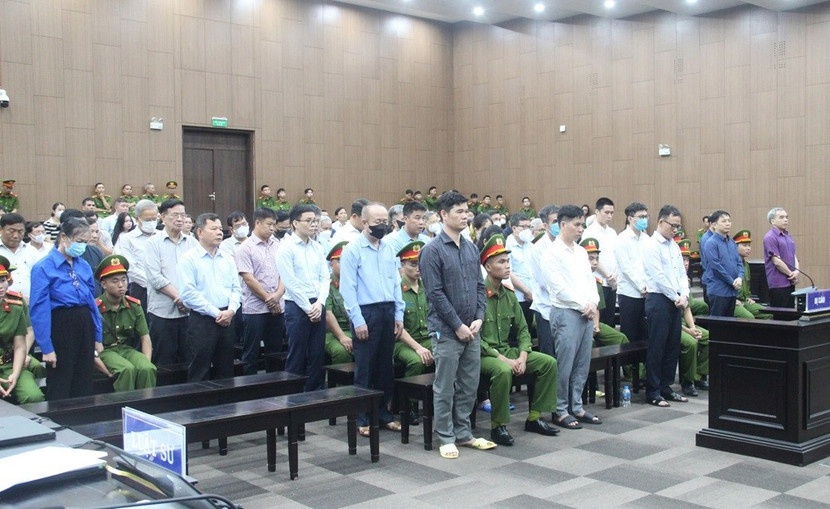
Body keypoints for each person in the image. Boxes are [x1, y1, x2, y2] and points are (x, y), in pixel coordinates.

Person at [419, 191, 494, 459]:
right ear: (443, 215)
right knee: (445, 385)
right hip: (447, 330)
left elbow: (479, 286)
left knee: (469, 385)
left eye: (466, 212)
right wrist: (457, 325)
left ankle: (463, 433)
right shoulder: (432, 250)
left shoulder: (471, 247)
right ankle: (445, 435)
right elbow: (435, 294)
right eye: (459, 212)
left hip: (472, 328)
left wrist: (479, 317)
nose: (465, 216)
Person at [479, 234, 559, 445]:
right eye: (501, 262)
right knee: (502, 370)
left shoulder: (509, 294)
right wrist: (504, 360)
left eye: (508, 261)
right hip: (484, 355)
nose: (507, 266)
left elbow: (523, 330)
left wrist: (523, 356)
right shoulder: (478, 295)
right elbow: (476, 339)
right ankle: (498, 426)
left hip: (507, 351)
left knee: (548, 363)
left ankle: (534, 418)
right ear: (488, 267)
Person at [339, 203, 404, 436]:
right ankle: (361, 417)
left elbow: (396, 283)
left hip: (388, 310)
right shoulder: (352, 250)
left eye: (385, 221)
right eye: (378, 222)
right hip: (366, 312)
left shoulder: (388, 249)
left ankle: (384, 414)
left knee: (385, 367)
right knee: (365, 367)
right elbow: (347, 289)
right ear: (364, 222)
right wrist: (357, 320)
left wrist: (399, 314)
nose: (382, 225)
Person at [30, 217, 103, 400]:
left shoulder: (83, 265)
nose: (82, 246)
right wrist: (46, 347)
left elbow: (91, 302)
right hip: (61, 323)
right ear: (64, 237)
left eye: (85, 242)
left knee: (84, 376)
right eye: (79, 241)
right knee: (61, 377)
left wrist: (97, 335)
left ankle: (83, 414)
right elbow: (39, 310)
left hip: (84, 321)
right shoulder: (43, 267)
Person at [543, 205, 601, 429]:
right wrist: (583, 305)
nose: (580, 229)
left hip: (586, 312)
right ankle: (560, 410)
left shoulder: (581, 252)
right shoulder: (551, 253)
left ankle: (576, 406)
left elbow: (590, 281)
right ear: (562, 224)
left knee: (582, 364)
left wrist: (593, 303)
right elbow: (558, 288)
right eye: (576, 224)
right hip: (566, 312)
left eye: (582, 224)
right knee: (565, 365)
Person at [178, 213, 241, 382]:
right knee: (200, 369)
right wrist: (216, 313)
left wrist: (231, 310)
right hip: (203, 320)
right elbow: (188, 294)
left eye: (220, 229)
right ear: (200, 232)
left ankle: (225, 400)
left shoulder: (227, 258)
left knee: (226, 369)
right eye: (213, 229)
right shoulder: (189, 259)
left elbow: (236, 288)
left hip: (228, 318)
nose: (219, 232)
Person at [276, 204, 330, 392]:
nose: (313, 224)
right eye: (308, 221)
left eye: (315, 221)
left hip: (318, 304)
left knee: (317, 353)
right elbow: (290, 282)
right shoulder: (286, 248)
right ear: (294, 223)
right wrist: (308, 307)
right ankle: (293, 395)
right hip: (297, 306)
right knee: (297, 353)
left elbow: (325, 277)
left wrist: (320, 303)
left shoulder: (317, 247)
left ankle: (315, 392)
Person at [642, 205, 690, 407]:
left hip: (676, 300)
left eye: (678, 227)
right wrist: (675, 296)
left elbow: (681, 274)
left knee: (673, 346)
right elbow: (658, 276)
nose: (676, 230)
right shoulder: (651, 245)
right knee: (657, 346)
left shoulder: (674, 246)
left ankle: (666, 387)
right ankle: (653, 391)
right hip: (659, 300)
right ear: (661, 222)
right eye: (673, 225)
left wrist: (685, 294)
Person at [145, 199, 197, 366]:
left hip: (189, 312)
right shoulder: (152, 243)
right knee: (164, 362)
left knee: (190, 359)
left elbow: (199, 274)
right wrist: (179, 297)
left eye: (183, 215)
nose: (180, 219)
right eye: (175, 215)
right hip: (163, 311)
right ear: (163, 217)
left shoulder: (192, 243)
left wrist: (187, 299)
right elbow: (155, 277)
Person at [94, 255, 157, 391]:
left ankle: (147, 403)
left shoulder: (133, 305)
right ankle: (126, 404)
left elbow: (145, 337)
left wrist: (146, 361)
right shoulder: (95, 308)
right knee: (126, 370)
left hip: (125, 349)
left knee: (148, 368)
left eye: (124, 279)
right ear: (103, 284)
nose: (121, 285)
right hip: (105, 351)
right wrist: (106, 371)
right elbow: (89, 346)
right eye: (115, 281)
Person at [235, 207, 285, 375]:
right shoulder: (245, 248)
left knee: (275, 352)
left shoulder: (278, 245)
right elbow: (248, 278)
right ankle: (250, 387)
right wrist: (269, 300)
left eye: (274, 225)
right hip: (255, 309)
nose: (272, 228)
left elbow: (284, 274)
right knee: (251, 352)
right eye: (269, 224)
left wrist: (277, 296)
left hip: (278, 306)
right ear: (257, 222)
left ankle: (275, 384)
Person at [394, 241, 433, 424]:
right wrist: (418, 348)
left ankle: (436, 400)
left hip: (427, 337)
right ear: (402, 265)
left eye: (420, 264)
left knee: (446, 353)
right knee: (416, 361)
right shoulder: (397, 290)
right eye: (413, 264)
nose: (418, 268)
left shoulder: (428, 287)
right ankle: (408, 405)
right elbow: (398, 329)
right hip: (402, 342)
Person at [0, 256, 44, 403]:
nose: (1, 286)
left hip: (9, 363)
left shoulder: (15, 307)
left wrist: (15, 374)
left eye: (2, 280)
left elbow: (20, 345)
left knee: (34, 397)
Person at [113, 199, 159, 314]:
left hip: (166, 290)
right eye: (148, 220)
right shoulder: (127, 239)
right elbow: (131, 268)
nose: (152, 222)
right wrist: (155, 284)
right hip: (141, 288)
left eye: (154, 219)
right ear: (137, 219)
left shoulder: (161, 236)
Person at [615, 202, 650, 346]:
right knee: (630, 334)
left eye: (646, 216)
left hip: (647, 292)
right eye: (641, 217)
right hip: (629, 293)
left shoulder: (647, 239)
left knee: (645, 333)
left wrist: (648, 286)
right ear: (630, 219)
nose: (644, 220)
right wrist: (641, 286)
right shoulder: (621, 239)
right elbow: (626, 269)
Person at [528, 204, 559, 357]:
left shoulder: (567, 244)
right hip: (546, 307)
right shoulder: (538, 248)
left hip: (565, 308)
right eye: (554, 221)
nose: (559, 225)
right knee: (549, 354)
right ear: (545, 225)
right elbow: (543, 282)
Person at [584, 197, 619, 327]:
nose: (609, 216)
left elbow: (616, 256)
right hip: (598, 280)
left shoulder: (612, 232)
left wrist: (614, 276)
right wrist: (607, 274)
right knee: (599, 321)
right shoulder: (589, 232)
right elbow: (591, 258)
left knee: (610, 320)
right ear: (597, 212)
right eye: (606, 212)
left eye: (612, 213)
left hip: (612, 282)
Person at [701, 210, 743, 317]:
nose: (728, 223)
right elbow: (716, 267)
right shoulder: (711, 243)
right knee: (717, 323)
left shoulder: (732, 242)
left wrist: (740, 277)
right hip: (719, 291)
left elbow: (739, 262)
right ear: (714, 225)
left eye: (729, 221)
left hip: (732, 291)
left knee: (729, 323)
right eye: (724, 221)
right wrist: (732, 282)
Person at [505, 213, 536, 338]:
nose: (527, 230)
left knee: (529, 330)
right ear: (514, 228)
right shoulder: (508, 245)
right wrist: (526, 291)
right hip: (518, 296)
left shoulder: (530, 244)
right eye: (523, 227)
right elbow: (509, 273)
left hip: (532, 295)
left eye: (529, 226)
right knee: (518, 331)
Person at [324, 241, 354, 365]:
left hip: (355, 329)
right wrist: (341, 336)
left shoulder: (355, 282)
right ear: (331, 264)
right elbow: (328, 314)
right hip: (332, 332)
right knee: (342, 351)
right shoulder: (327, 284)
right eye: (340, 261)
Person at [763, 207, 799, 308]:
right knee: (780, 314)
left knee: (791, 313)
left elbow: (793, 255)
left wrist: (796, 271)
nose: (786, 220)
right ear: (772, 221)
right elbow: (777, 261)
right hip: (778, 283)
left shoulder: (788, 236)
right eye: (781, 217)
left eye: (786, 217)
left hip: (790, 282)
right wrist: (791, 274)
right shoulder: (770, 237)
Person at [733, 230, 773, 319]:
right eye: (744, 245)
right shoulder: (730, 264)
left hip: (744, 300)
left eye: (749, 245)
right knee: (749, 318)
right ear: (735, 247)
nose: (748, 248)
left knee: (769, 314)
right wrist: (732, 299)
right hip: (732, 300)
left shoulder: (746, 265)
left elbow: (746, 285)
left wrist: (748, 297)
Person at [0, 213, 34, 299]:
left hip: (30, 303)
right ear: (1, 229)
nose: (16, 236)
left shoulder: (32, 251)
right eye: (11, 231)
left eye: (20, 232)